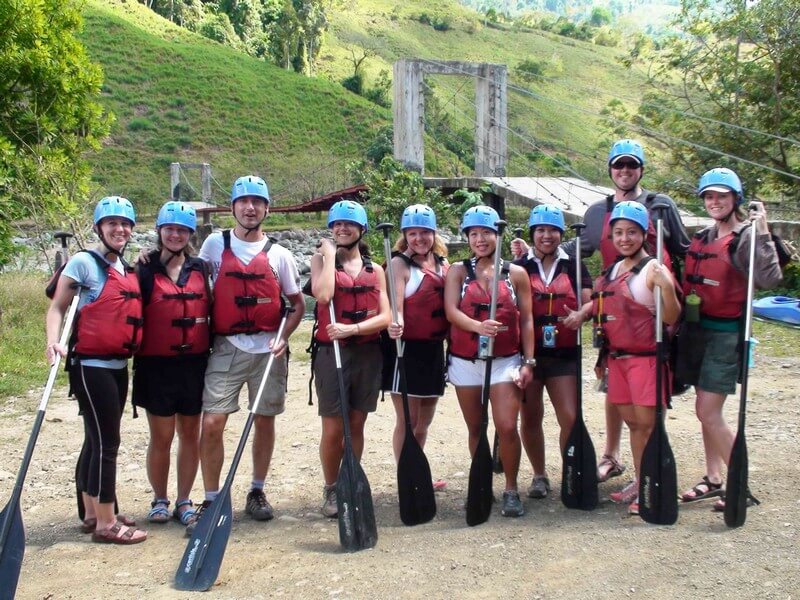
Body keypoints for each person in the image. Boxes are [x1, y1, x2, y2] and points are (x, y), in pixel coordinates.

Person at [513, 138, 690, 484]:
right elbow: (578, 245)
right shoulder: (597, 212)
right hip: (611, 301)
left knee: (647, 401)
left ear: (641, 169)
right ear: (610, 169)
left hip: (648, 304)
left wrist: (676, 298)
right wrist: (531, 251)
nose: (625, 171)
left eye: (631, 165)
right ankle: (613, 455)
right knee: (615, 388)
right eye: (618, 165)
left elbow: (684, 249)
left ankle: (649, 473)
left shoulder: (661, 205)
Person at [187, 176, 305, 534]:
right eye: (243, 202)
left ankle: (257, 490)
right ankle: (210, 496)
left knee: (264, 419)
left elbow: (297, 305)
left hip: (268, 348)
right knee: (212, 423)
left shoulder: (280, 255)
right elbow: (189, 276)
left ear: (266, 209)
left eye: (257, 202)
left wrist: (283, 337)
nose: (250, 208)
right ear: (233, 207)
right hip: (227, 346)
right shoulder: (213, 245)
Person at [676, 168, 781, 511]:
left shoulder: (747, 235)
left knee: (709, 412)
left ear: (736, 198)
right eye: (709, 196)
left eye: (722, 195)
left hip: (725, 334)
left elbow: (769, 278)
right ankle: (713, 478)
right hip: (698, 332)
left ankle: (739, 484)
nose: (715, 201)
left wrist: (762, 228)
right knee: (701, 410)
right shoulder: (705, 234)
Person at [45, 196, 147, 544]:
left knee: (95, 438)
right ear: (99, 228)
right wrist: (53, 341)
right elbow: (58, 307)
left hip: (117, 365)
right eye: (112, 224)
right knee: (107, 442)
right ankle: (107, 523)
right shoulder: (83, 263)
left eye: (125, 224)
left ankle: (91, 513)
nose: (119, 229)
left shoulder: (123, 267)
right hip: (90, 366)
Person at [444, 205, 535, 518]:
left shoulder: (516, 274)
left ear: (498, 235)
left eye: (486, 233)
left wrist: (529, 362)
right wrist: (477, 326)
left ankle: (511, 488)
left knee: (507, 426)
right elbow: (451, 312)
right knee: (476, 427)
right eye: (474, 234)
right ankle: (482, 483)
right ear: (467, 237)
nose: (480, 239)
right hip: (466, 360)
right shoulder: (458, 271)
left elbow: (527, 321)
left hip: (505, 360)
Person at [591, 201, 681, 515]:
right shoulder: (613, 269)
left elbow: (671, 317)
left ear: (644, 234)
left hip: (646, 359)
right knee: (633, 424)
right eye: (618, 232)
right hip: (618, 360)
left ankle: (652, 486)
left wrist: (667, 289)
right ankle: (642, 480)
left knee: (648, 425)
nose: (625, 238)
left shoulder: (654, 268)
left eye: (632, 232)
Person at [309, 200, 391, 518]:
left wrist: (353, 327)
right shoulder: (320, 260)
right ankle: (331, 488)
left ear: (361, 229)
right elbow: (324, 295)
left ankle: (350, 479)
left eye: (349, 224)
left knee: (356, 424)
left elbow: (385, 317)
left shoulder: (376, 270)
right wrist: (329, 256)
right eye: (337, 224)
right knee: (333, 428)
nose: (342, 229)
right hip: (333, 354)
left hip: (367, 353)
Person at [132, 201, 210, 526]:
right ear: (160, 231)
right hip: (156, 366)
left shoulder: (201, 268)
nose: (175, 235)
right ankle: (160, 498)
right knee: (161, 436)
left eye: (181, 230)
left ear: (189, 234)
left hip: (193, 364)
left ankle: (184, 500)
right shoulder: (144, 269)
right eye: (169, 229)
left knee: (190, 433)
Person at [514, 205, 593, 499]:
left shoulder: (573, 265)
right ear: (533, 234)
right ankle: (539, 475)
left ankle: (570, 471)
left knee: (570, 417)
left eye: (552, 230)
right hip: (530, 355)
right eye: (541, 230)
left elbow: (589, 301)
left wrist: (581, 314)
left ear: (561, 234)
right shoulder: (520, 265)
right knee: (531, 417)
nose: (546, 236)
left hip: (564, 353)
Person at [381, 205, 449, 486]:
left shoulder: (444, 265)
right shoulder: (398, 264)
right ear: (404, 235)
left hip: (433, 350)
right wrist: (394, 322)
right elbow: (394, 305)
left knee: (424, 421)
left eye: (424, 232)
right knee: (408, 421)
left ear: (433, 233)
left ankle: (417, 469)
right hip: (405, 350)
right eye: (412, 233)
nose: (419, 238)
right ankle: (407, 477)